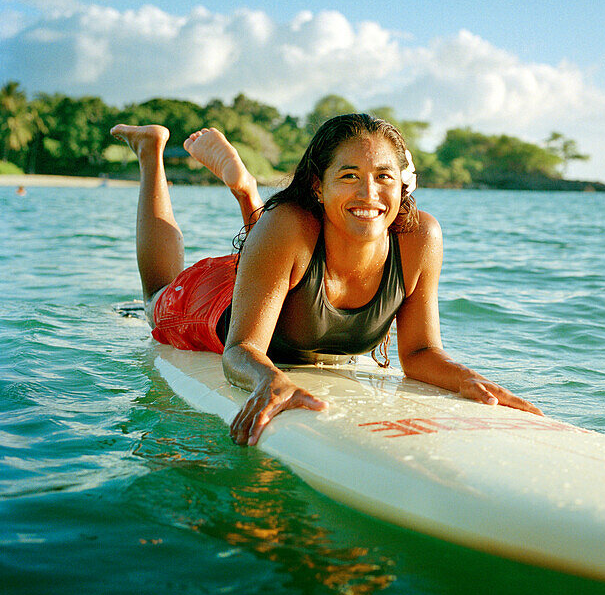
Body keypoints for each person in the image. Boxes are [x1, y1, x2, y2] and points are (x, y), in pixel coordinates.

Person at [111, 115, 540, 446]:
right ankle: (151, 150)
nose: (370, 194)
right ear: (318, 186)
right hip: (218, 301)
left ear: (403, 186)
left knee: (282, 237)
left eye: (384, 177)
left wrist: (467, 379)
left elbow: (421, 352)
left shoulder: (420, 239)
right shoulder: (287, 226)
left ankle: (246, 192)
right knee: (153, 300)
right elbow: (240, 351)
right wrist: (268, 379)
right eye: (349, 176)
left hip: (279, 267)